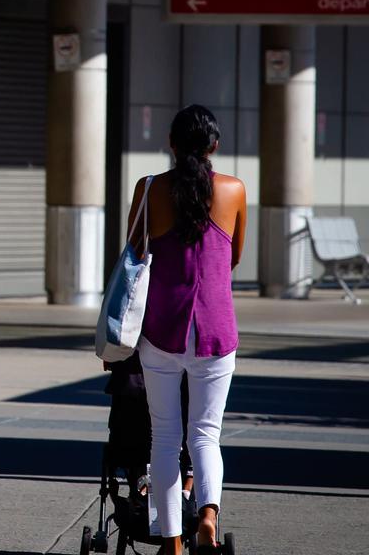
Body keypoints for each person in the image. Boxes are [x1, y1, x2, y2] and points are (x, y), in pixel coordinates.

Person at [126, 104, 247, 555]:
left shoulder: (149, 189)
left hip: (162, 328)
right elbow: (233, 257)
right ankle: (209, 516)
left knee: (164, 436)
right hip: (216, 330)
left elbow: (134, 253)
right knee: (206, 435)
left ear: (171, 145)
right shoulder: (234, 190)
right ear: (214, 146)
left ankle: (173, 542)